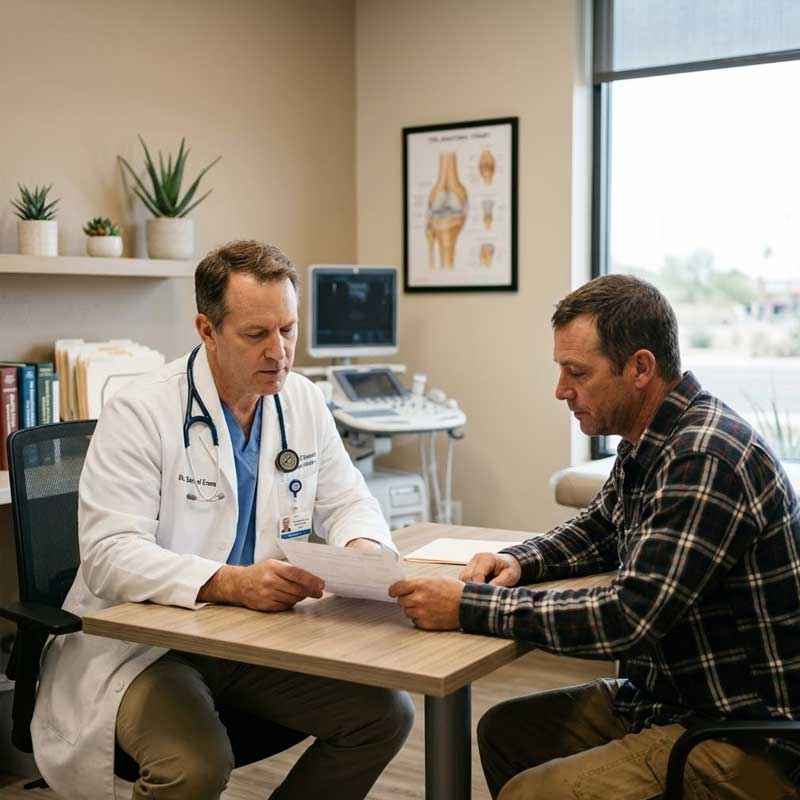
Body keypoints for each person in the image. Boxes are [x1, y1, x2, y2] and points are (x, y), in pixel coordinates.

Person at [390, 274, 800, 799]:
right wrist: (520, 560)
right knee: (506, 733)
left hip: (745, 736)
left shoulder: (703, 456)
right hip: (674, 700)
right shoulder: (651, 437)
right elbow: (600, 529)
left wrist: (469, 606)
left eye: (576, 372)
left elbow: (629, 618)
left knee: (533, 794)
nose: (561, 389)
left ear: (640, 368)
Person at [32, 240, 414, 800]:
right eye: (256, 335)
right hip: (148, 646)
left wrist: (359, 546)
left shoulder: (301, 401)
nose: (279, 352)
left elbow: (350, 500)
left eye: (288, 329)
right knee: (195, 765)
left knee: (383, 715)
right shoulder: (141, 409)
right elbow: (109, 554)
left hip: (249, 640)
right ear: (207, 329)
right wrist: (230, 582)